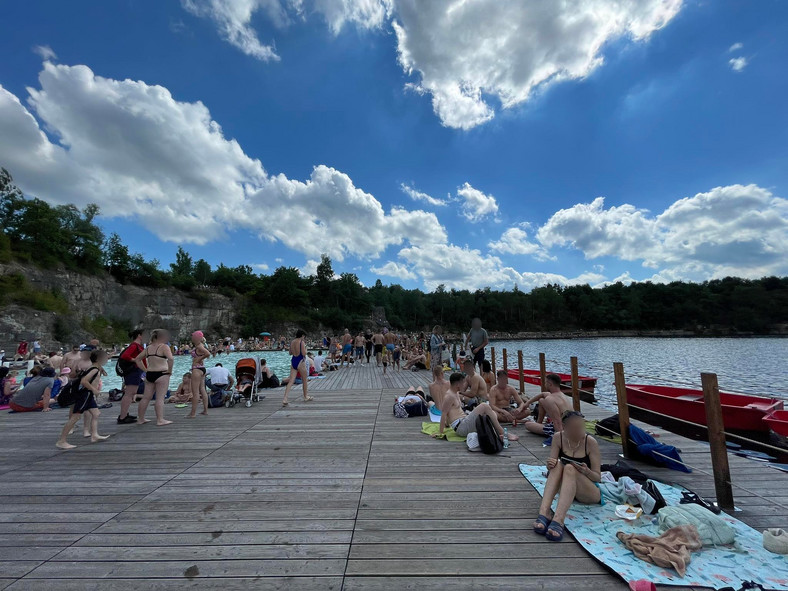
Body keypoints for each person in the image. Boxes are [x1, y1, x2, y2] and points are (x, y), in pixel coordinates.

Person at [533, 410, 602, 542]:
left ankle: (559, 519)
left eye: (581, 427)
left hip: (588, 490)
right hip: (566, 486)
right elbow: (551, 469)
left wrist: (586, 471)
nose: (579, 431)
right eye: (575, 428)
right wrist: (549, 464)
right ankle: (544, 512)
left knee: (569, 467)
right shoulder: (558, 437)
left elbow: (598, 477)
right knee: (557, 465)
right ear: (565, 428)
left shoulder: (590, 442)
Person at [436, 373, 518, 442]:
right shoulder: (449, 396)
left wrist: (447, 424)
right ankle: (502, 432)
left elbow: (449, 413)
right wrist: (441, 432)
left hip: (464, 420)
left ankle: (495, 433)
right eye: (463, 383)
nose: (464, 384)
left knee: (492, 413)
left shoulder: (456, 393)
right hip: (461, 427)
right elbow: (444, 414)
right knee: (484, 406)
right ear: (457, 384)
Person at [56, 349, 110, 449]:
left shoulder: (95, 367)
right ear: (99, 359)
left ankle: (94, 435)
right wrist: (95, 390)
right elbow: (84, 381)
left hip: (88, 395)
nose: (107, 359)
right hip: (84, 395)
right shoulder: (94, 369)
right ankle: (61, 441)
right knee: (75, 417)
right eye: (105, 357)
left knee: (96, 413)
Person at [134, 328, 173, 426]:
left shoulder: (148, 348)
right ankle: (160, 420)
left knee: (146, 398)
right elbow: (171, 359)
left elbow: (137, 359)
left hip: (150, 374)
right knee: (160, 398)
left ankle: (141, 419)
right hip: (162, 373)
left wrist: (145, 370)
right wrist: (170, 370)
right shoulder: (164, 347)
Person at [522, 373, 572, 438]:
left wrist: (561, 438)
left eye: (545, 382)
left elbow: (557, 420)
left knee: (528, 425)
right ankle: (539, 423)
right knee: (541, 400)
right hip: (573, 424)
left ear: (550, 384)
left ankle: (540, 425)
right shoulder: (561, 395)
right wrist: (528, 403)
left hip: (564, 429)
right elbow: (542, 394)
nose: (545, 384)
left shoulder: (550, 399)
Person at [117, 329, 146, 424]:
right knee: (129, 393)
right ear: (139, 335)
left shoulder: (136, 346)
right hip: (133, 371)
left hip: (135, 371)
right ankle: (122, 416)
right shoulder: (134, 345)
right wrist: (135, 360)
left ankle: (124, 414)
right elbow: (125, 356)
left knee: (131, 393)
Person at [282, 329, 313, 407]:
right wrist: (305, 349)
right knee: (304, 380)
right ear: (302, 335)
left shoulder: (292, 342)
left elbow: (290, 353)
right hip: (300, 361)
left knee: (291, 381)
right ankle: (306, 396)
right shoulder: (301, 342)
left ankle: (285, 399)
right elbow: (303, 353)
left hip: (293, 361)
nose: (304, 338)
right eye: (304, 337)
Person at [188, 331, 211, 418]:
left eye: (193, 337)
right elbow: (206, 354)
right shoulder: (201, 345)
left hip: (197, 369)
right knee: (202, 390)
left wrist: (198, 359)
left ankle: (192, 413)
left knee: (195, 392)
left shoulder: (199, 346)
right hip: (202, 369)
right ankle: (205, 410)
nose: (192, 338)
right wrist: (200, 358)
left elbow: (208, 353)